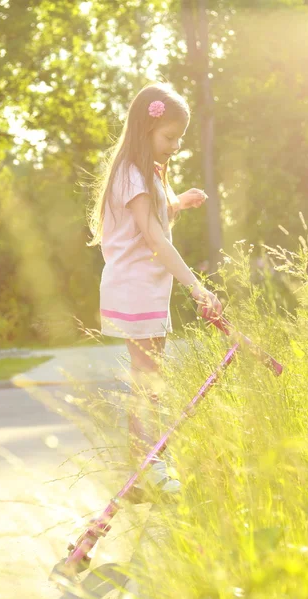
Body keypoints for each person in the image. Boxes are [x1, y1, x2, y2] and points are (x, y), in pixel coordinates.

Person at [87, 82, 222, 499]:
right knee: (148, 380)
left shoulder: (144, 175)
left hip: (145, 288)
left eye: (179, 138)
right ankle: (149, 464)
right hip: (135, 289)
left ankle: (145, 466)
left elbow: (150, 218)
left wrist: (178, 202)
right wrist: (198, 289)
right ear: (147, 130)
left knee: (151, 378)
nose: (175, 146)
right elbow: (155, 238)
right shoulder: (132, 173)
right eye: (169, 137)